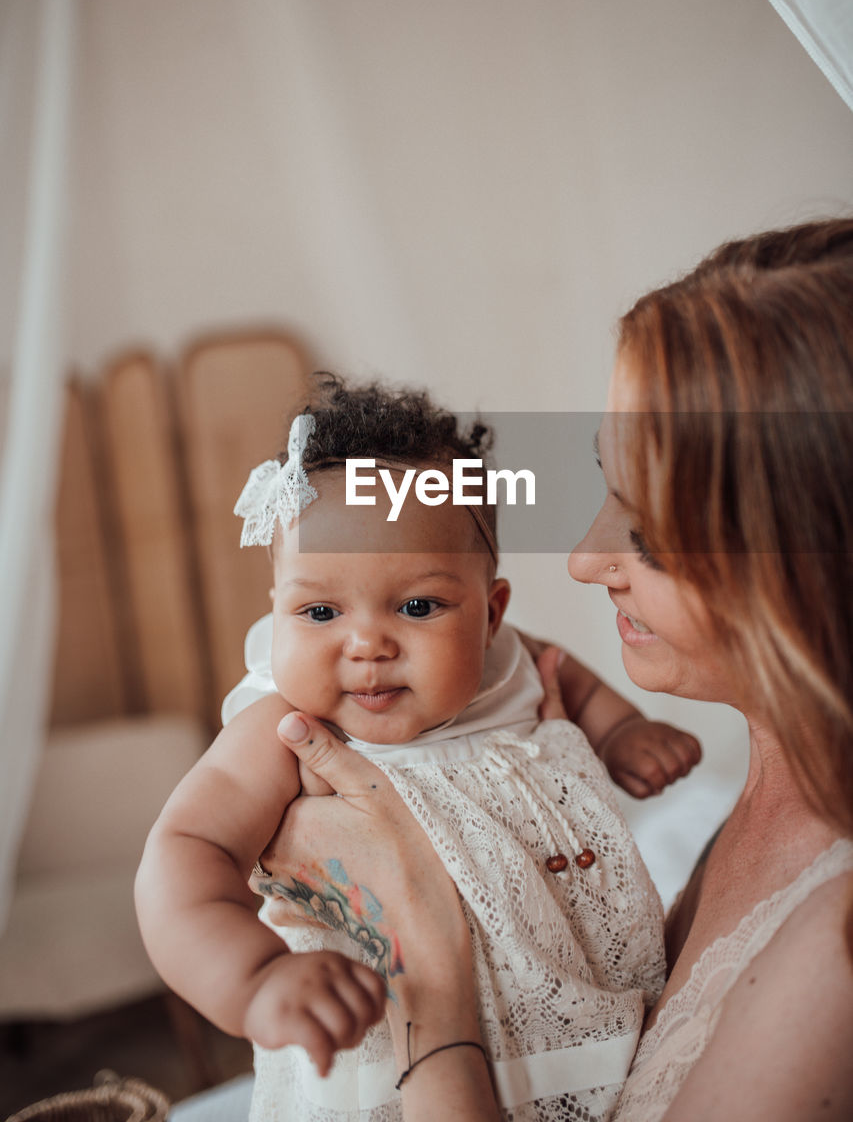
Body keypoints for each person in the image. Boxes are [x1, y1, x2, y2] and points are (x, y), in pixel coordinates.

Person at [256, 220, 853, 1121]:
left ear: (811, 557)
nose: (582, 559)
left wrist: (426, 964)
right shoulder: (785, 784)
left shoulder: (833, 957)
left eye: (646, 531)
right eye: (601, 488)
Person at [135, 377, 701, 1122]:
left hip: (580, 1028)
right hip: (389, 1065)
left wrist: (623, 730)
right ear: (274, 606)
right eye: (319, 610)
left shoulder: (512, 667)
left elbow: (581, 687)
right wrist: (255, 978)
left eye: (417, 606)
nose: (366, 643)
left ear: (490, 614)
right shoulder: (283, 729)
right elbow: (184, 850)